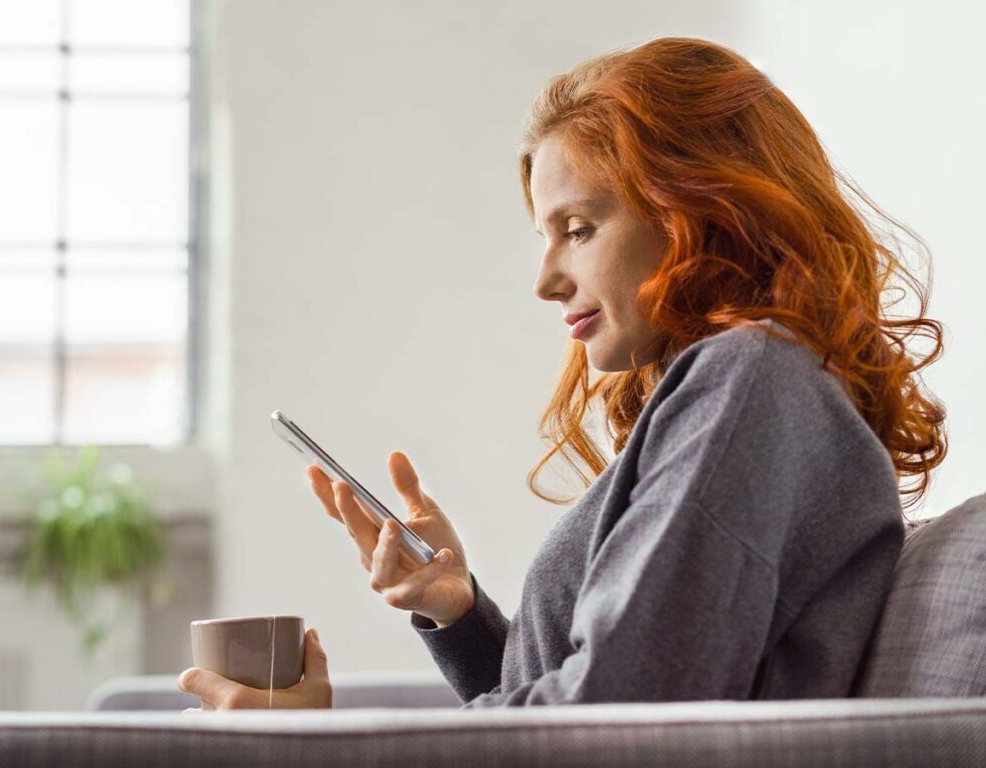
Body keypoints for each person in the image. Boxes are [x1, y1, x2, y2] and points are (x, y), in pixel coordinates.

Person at [178, 35, 947, 710]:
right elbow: (587, 704)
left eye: (577, 230)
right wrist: (456, 612)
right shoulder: (750, 390)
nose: (544, 280)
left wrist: (314, 751)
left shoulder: (753, 383)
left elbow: (611, 718)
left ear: (702, 211)